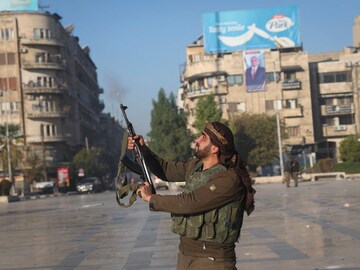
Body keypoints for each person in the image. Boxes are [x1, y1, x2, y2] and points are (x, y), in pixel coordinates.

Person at [128, 122, 255, 270]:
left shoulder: (229, 179)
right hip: (185, 254)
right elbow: (167, 170)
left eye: (203, 137)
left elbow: (190, 202)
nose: (197, 140)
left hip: (213, 260)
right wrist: (144, 150)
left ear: (215, 148)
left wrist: (152, 198)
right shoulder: (195, 166)